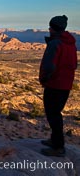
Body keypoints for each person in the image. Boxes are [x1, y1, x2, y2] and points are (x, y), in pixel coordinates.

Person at [39, 15, 77, 157]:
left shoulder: (56, 43)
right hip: (66, 86)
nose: (49, 29)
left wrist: (44, 79)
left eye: (50, 27)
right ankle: (54, 141)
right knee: (56, 114)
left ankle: (58, 147)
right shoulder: (70, 43)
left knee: (53, 115)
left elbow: (49, 66)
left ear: (54, 28)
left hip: (54, 85)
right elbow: (74, 65)